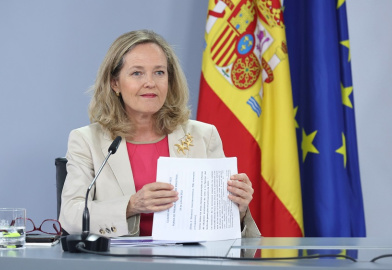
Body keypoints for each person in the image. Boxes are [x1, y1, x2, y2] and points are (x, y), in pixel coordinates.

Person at [59, 30, 260, 238]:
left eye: (159, 72)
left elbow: (224, 229)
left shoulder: (203, 136)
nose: (150, 83)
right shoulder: (87, 141)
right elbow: (71, 216)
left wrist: (239, 208)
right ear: (115, 83)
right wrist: (132, 205)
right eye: (137, 73)